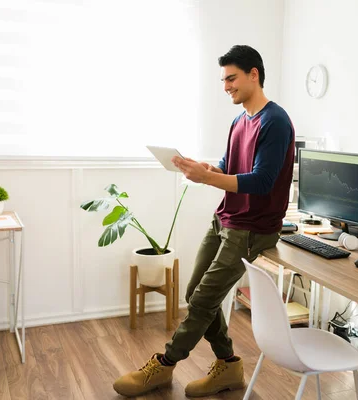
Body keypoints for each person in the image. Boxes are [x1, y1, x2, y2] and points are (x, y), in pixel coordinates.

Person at [113, 44, 295, 398]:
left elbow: (261, 182)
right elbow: (230, 166)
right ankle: (228, 365)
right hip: (226, 218)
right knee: (195, 292)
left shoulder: (276, 121)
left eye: (232, 78)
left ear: (254, 74)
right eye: (224, 80)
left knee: (201, 301)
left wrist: (206, 178)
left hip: (253, 228)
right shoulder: (239, 120)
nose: (226, 86)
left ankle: (164, 367)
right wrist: (207, 169)